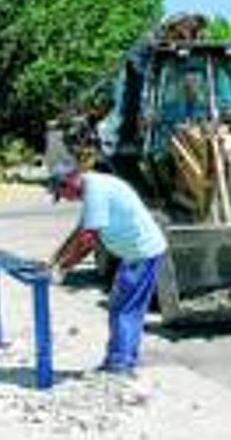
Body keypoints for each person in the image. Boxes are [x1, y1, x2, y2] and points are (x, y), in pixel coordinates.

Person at [48, 160, 167, 376]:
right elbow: (80, 231)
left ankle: (121, 365)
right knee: (121, 307)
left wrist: (63, 268)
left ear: (70, 181)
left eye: (62, 193)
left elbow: (88, 241)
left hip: (141, 252)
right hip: (133, 252)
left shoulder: (96, 191)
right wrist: (54, 260)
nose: (65, 199)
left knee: (125, 309)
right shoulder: (90, 187)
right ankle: (120, 360)